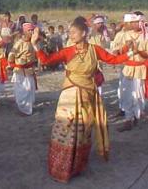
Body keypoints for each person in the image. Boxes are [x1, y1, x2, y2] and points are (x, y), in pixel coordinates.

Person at [31, 16, 139, 183]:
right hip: (69, 95)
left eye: (74, 32)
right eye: (70, 32)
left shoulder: (94, 50)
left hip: (87, 94)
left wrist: (132, 52)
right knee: (65, 129)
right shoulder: (68, 51)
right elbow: (46, 60)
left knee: (82, 131)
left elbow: (112, 59)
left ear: (84, 33)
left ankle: (77, 166)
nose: (71, 35)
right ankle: (61, 167)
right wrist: (35, 44)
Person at [118, 12, 148, 131]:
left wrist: (138, 51)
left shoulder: (146, 35)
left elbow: (147, 54)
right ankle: (128, 119)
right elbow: (120, 52)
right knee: (126, 94)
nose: (134, 24)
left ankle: (137, 116)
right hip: (128, 68)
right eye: (133, 22)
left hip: (139, 67)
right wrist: (126, 47)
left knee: (138, 94)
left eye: (137, 22)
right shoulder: (126, 35)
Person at [8, 23, 36, 116]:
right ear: (24, 32)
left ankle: (28, 109)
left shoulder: (33, 42)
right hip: (20, 71)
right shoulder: (19, 43)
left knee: (30, 89)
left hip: (30, 70)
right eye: (29, 30)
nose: (31, 32)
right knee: (23, 90)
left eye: (32, 30)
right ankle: (23, 109)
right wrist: (15, 63)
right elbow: (11, 56)